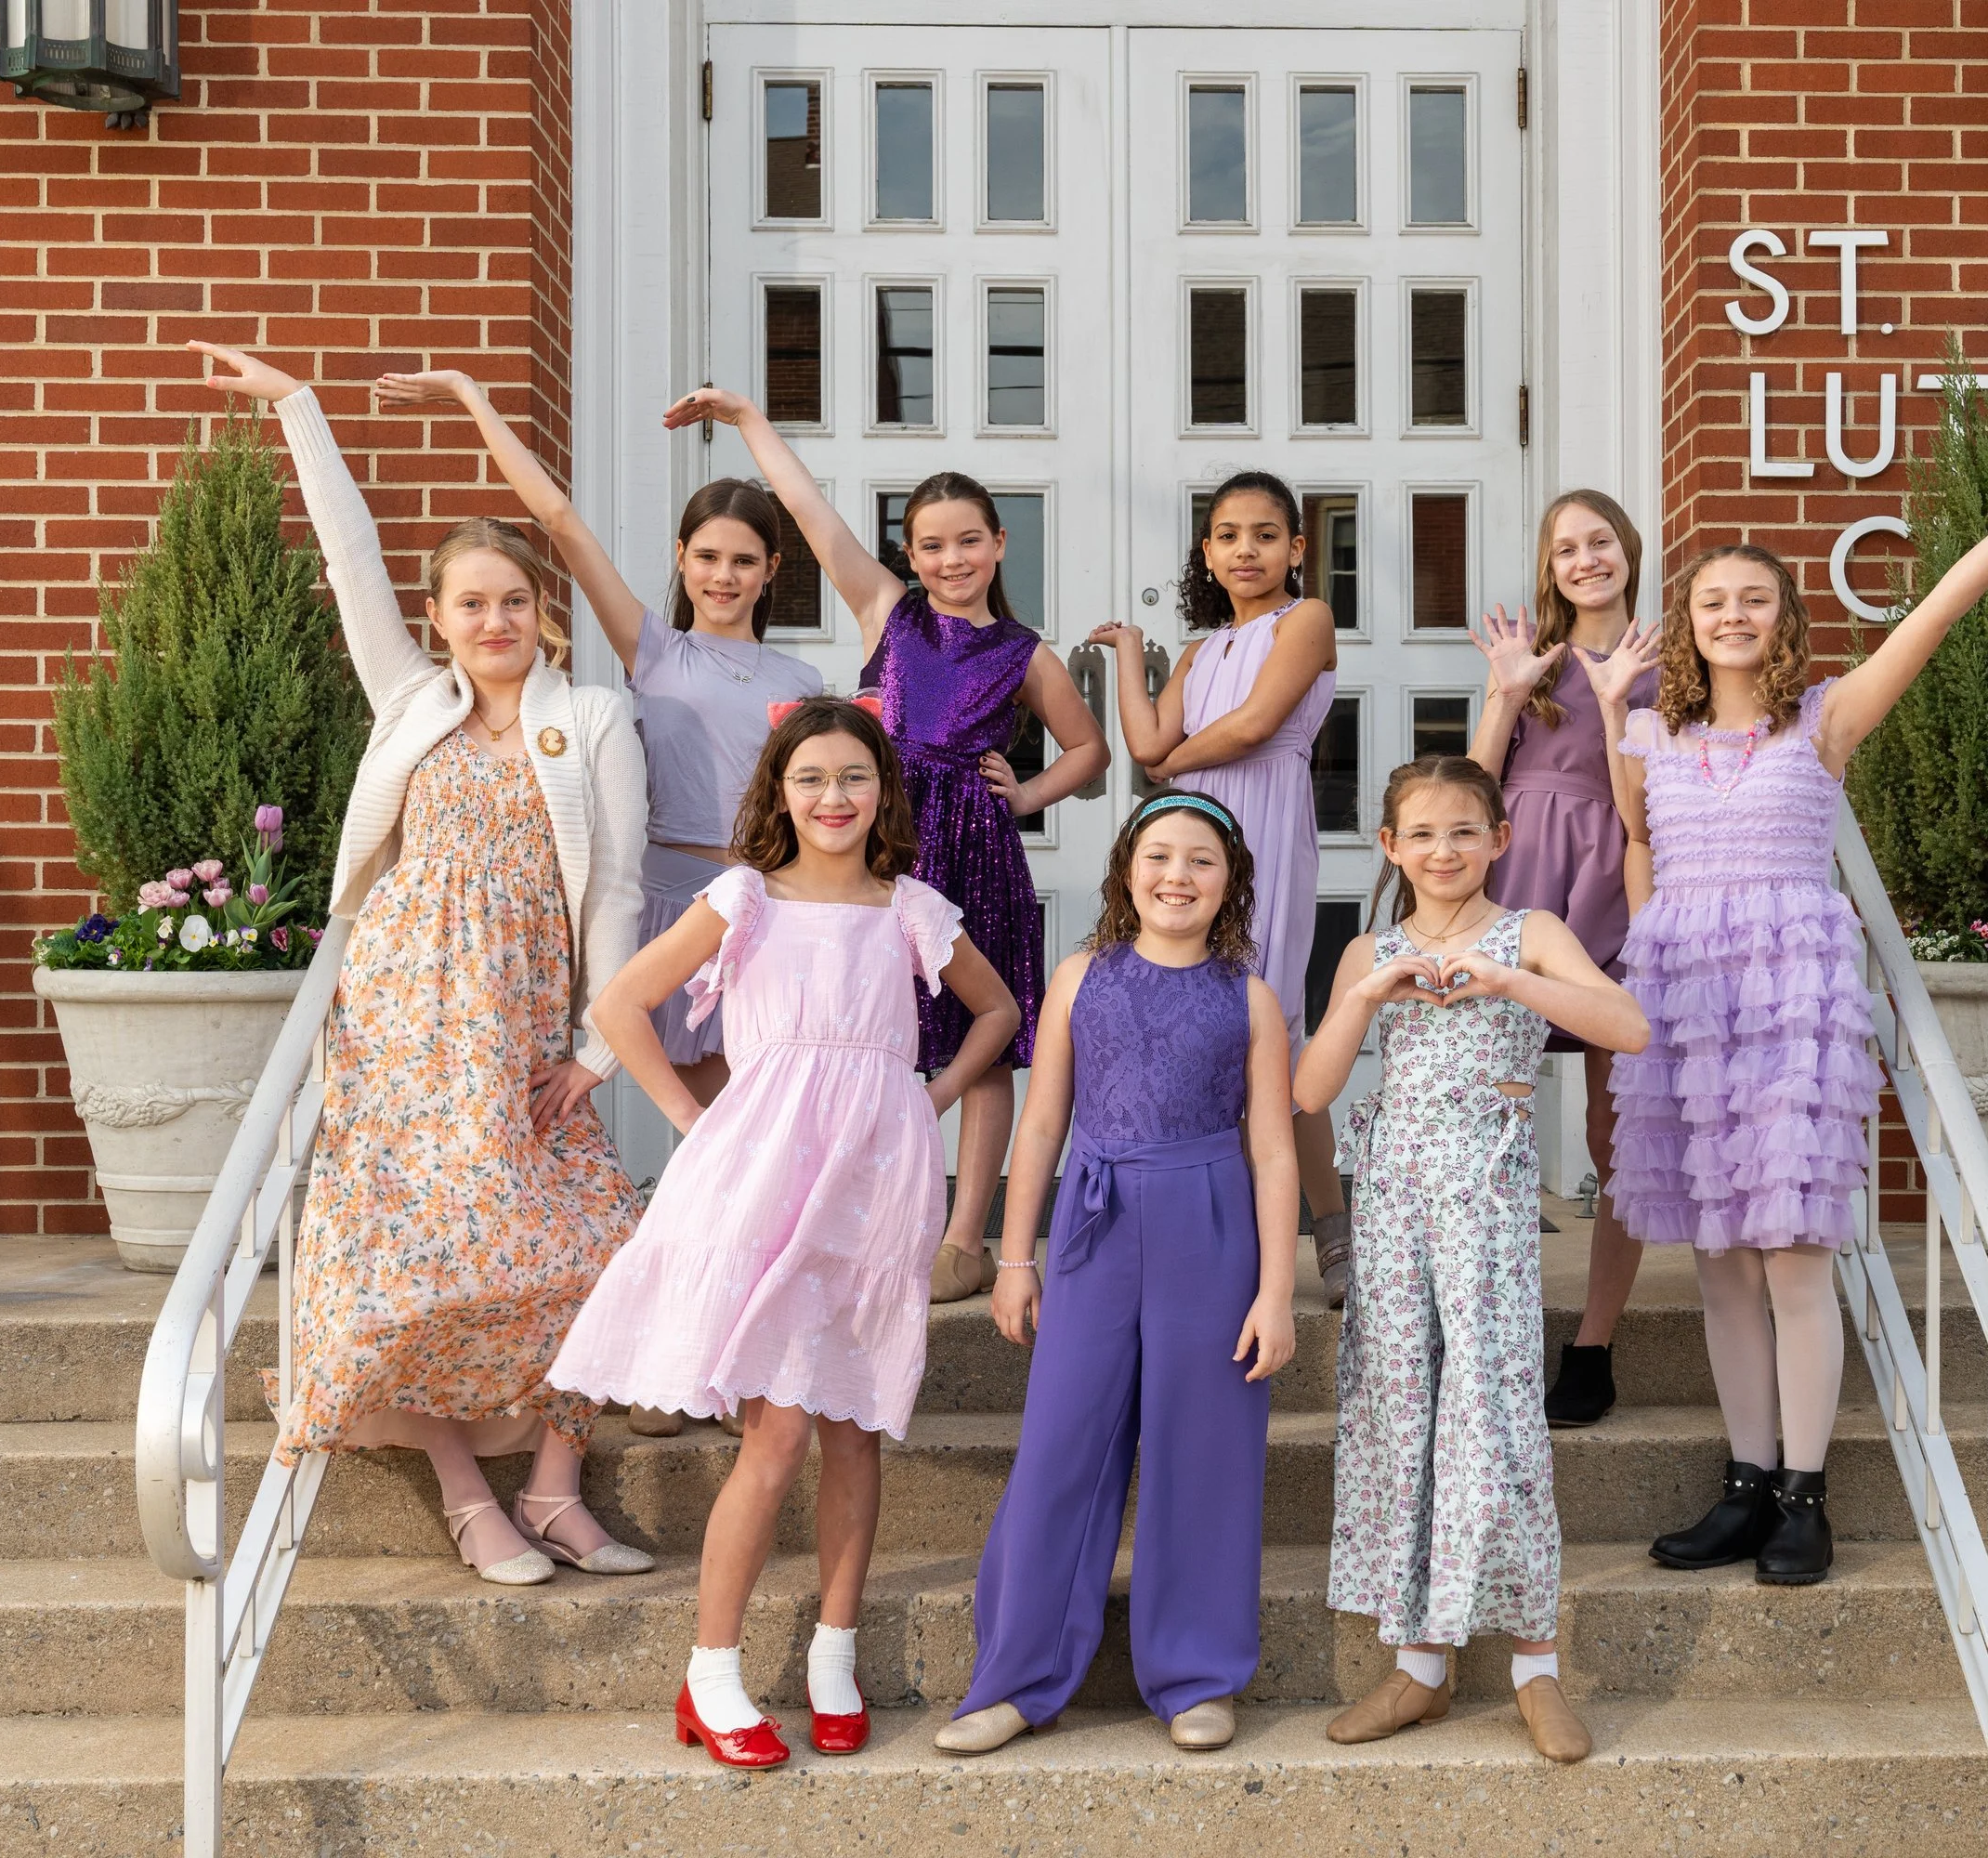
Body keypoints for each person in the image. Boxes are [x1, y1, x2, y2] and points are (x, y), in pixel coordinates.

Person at [1600, 454, 1988, 1586]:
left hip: (1789, 1002)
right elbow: (1638, 846)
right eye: (1712, 601)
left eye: (1754, 599)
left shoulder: (1825, 719)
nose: (1732, 615)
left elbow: (1934, 612)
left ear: (1783, 619)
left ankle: (1804, 1493)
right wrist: (1610, 714)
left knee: (1794, 1255)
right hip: (1688, 1004)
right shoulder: (1650, 733)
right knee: (1718, 1262)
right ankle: (1744, 1484)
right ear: (1686, 624)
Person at [190, 340, 653, 1588]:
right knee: (403, 1264)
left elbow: (617, 889)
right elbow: (348, 558)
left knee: (608, 1244)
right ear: (439, 619)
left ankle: (554, 1486)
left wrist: (597, 1050)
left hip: (519, 1033)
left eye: (513, 601)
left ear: (542, 611)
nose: (494, 621)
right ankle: (465, 1493)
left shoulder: (591, 718)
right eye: (470, 604)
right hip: (396, 1027)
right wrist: (298, 407)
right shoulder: (411, 702)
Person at [549, 696, 1017, 1767]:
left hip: (876, 1183)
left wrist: (929, 1096)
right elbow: (620, 1004)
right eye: (811, 777)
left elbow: (997, 1009)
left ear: (883, 791)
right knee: (775, 1432)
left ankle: (832, 1654)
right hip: (765, 1178)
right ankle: (711, 1672)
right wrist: (692, 1117)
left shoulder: (910, 906)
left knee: (855, 1426)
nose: (833, 796)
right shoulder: (745, 896)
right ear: (779, 790)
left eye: (854, 776)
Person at [374, 371, 825, 1441]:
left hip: (750, 916)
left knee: (734, 1154)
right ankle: (656, 1366)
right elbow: (558, 521)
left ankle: (719, 1363)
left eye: (745, 559)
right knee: (663, 1151)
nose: (723, 575)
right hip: (659, 910)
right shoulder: (653, 648)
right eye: (706, 556)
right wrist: (471, 401)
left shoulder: (802, 679)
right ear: (682, 559)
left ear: (771, 569)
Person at [665, 387, 1108, 1303]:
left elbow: (1090, 748)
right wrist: (750, 420)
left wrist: (1026, 794)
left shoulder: (1024, 651)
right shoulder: (887, 611)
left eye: (969, 541)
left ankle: (966, 1237)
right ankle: (858, 1221)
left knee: (983, 1043)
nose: (952, 559)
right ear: (910, 555)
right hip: (886, 848)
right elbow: (808, 512)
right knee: (873, 1029)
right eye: (932, 545)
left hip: (977, 854)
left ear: (999, 544)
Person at [1295, 755, 1648, 1764]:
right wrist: (1369, 993)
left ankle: (1536, 1667)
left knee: (1492, 1414)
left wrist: (1510, 980)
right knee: (1401, 1409)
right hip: (1394, 1198)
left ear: (1499, 838)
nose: (1442, 850)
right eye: (1421, 833)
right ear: (1390, 846)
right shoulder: (1369, 946)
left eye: (1463, 831)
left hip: (1485, 1201)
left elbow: (1628, 1026)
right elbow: (1310, 1090)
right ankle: (1420, 1664)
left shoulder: (1530, 932)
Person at [936, 793, 1299, 1758]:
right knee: (1062, 1446)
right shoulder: (1079, 977)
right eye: (1159, 855)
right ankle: (1017, 1677)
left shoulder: (1250, 997)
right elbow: (1041, 1126)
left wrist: (1274, 1291)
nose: (1178, 875)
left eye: (1202, 861)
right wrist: (1015, 1257)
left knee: (1205, 1450)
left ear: (1230, 881)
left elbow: (1273, 1150)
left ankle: (1197, 1674)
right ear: (1127, 869)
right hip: (1093, 1227)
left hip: (1209, 1222)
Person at [1089, 471, 1351, 1303]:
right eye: (1229, 536)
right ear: (1207, 552)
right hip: (1196, 837)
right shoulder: (1200, 653)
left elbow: (1254, 725)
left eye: (1266, 535)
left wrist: (1171, 766)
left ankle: (1332, 1228)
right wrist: (1130, 654)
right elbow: (1145, 742)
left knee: (1271, 1025)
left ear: (1296, 548)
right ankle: (1226, 1240)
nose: (1247, 550)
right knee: (1202, 1025)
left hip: (1265, 825)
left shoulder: (1305, 620)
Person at [1470, 491, 1659, 1427]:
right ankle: (1483, 1324)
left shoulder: (1668, 660)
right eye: (1565, 548)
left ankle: (1593, 1341)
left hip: (1615, 883)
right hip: (1518, 883)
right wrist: (1505, 693)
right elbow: (1471, 788)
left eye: (1599, 541)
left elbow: (1648, 806)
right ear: (1549, 568)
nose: (1585, 559)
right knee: (1486, 1117)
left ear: (1628, 549)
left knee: (1609, 1129)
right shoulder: (1531, 661)